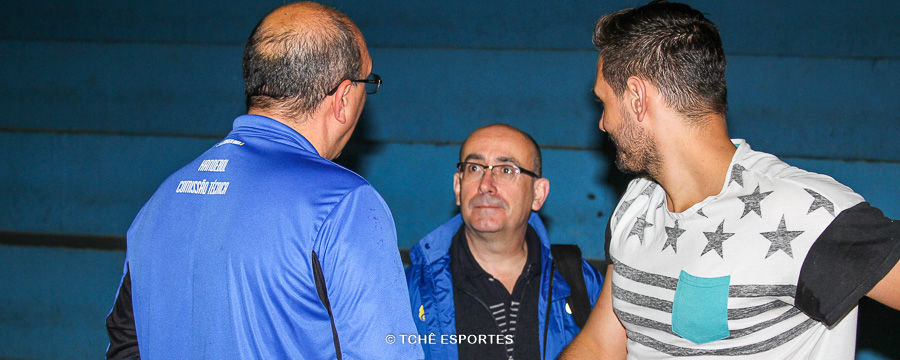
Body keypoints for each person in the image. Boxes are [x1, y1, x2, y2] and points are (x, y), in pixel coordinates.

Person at [561, 1, 900, 359]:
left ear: (636, 97)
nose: (603, 123)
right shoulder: (636, 204)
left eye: (603, 103)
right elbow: (600, 346)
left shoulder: (804, 212)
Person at [104, 2, 423, 359]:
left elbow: (125, 347)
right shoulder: (343, 203)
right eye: (369, 82)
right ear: (344, 97)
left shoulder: (162, 199)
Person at [405, 124, 604, 360]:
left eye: (506, 170)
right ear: (458, 187)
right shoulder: (412, 289)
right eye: (474, 167)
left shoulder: (580, 282)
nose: (486, 185)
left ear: (538, 194)